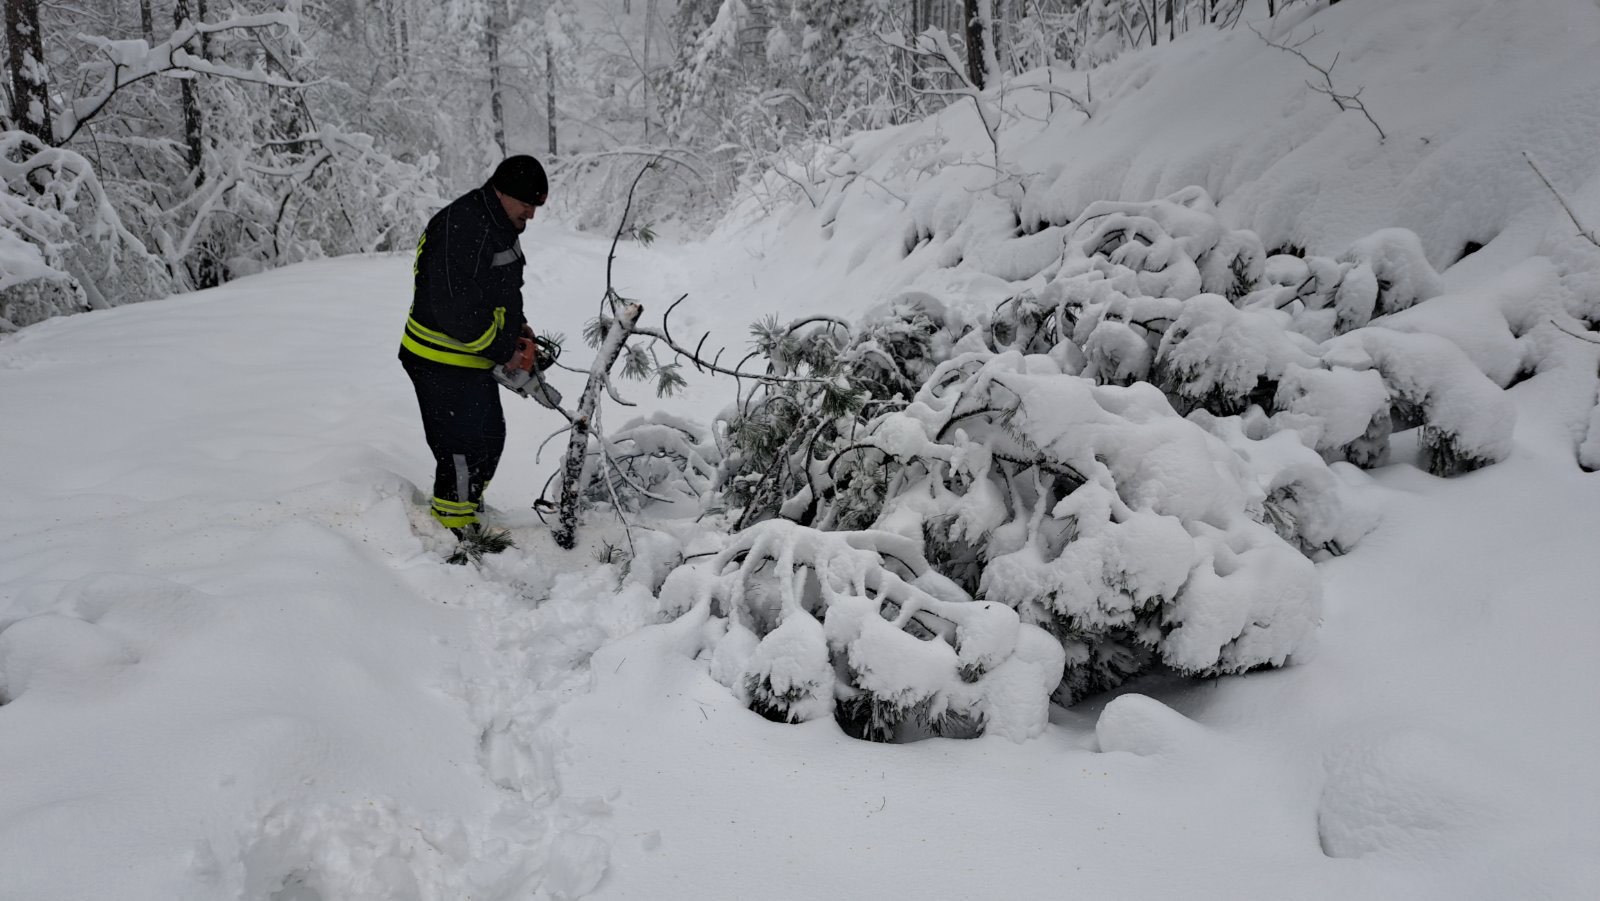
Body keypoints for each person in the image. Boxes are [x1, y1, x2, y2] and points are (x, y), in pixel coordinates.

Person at [399, 155, 548, 555]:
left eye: (537, 207)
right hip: (438, 357)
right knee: (462, 448)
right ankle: (452, 538)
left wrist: (517, 328)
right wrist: (505, 351)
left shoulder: (500, 224)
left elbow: (499, 288)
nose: (531, 215)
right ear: (503, 192)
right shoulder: (461, 228)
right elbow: (454, 311)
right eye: (527, 205)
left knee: (489, 439)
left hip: (471, 358)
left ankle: (467, 511)